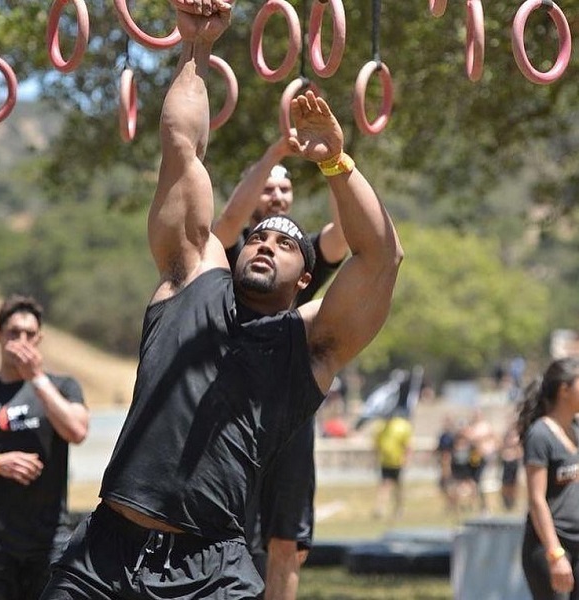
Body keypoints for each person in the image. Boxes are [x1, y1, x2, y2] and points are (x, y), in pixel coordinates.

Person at [40, 2, 403, 598]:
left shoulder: (308, 346)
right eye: (257, 236)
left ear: (305, 278)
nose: (265, 243)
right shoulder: (190, 280)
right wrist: (196, 49)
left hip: (210, 568)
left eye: (284, 243)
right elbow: (182, 145)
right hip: (102, 553)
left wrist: (336, 162)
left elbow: (382, 258)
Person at [213, 134, 348, 599]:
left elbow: (345, 232)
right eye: (268, 187)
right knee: (230, 531)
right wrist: (272, 154)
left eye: (285, 188)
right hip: (233, 412)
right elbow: (227, 222)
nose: (277, 195)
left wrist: (332, 159)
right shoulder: (235, 255)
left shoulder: (300, 257)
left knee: (287, 538)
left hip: (290, 414)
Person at [0, 294, 89, 600]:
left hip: (50, 544)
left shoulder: (63, 388)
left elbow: (77, 431)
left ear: (39, 338)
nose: (21, 341)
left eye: (29, 334)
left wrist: (36, 378)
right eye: (13, 333)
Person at [518, 357, 579, 598]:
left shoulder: (575, 430)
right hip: (550, 547)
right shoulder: (540, 435)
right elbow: (536, 500)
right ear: (564, 389)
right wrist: (555, 553)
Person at [372, 409, 413, 520]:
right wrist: (375, 459)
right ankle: (380, 509)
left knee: (398, 487)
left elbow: (407, 445)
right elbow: (377, 445)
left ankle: (399, 509)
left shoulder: (401, 427)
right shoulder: (380, 428)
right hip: (385, 462)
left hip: (398, 462)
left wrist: (406, 459)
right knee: (385, 485)